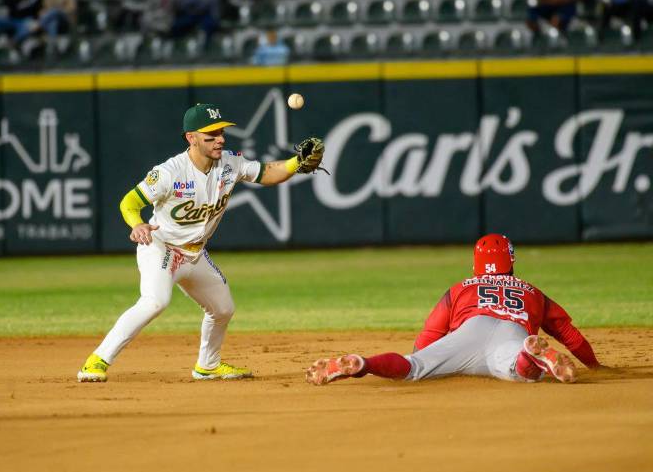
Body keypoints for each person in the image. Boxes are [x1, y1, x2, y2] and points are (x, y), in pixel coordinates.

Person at [78, 104, 325, 382]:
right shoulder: (170, 172)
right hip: (162, 248)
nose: (219, 138)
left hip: (195, 253)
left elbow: (267, 172)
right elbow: (129, 202)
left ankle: (208, 365)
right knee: (155, 301)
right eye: (210, 135)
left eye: (220, 132)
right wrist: (137, 224)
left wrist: (296, 162)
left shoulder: (230, 163)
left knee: (223, 309)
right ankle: (96, 360)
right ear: (191, 138)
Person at [306, 233, 603, 386]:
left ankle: (363, 363)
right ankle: (529, 354)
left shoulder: (461, 288)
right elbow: (569, 334)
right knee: (523, 372)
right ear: (511, 262)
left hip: (470, 331)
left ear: (476, 263)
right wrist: (595, 367)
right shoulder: (533, 292)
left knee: (413, 366)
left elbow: (429, 333)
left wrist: (422, 357)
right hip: (514, 332)